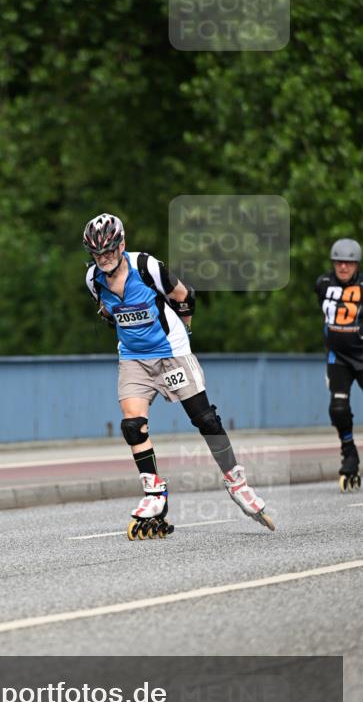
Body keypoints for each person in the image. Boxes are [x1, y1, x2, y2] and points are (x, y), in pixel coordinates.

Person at [83, 212, 275, 536]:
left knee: (204, 419)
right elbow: (106, 311)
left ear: (122, 245)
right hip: (134, 358)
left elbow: (184, 295)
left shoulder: (147, 267)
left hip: (170, 353)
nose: (104, 259)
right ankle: (154, 493)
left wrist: (184, 331)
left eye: (110, 251)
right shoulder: (93, 281)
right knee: (133, 424)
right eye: (98, 254)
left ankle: (237, 483)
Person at [315, 238, 363, 491]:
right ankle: (349, 453)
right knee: (338, 408)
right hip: (338, 357)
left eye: (349, 263)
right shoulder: (323, 284)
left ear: (356, 265)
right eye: (339, 262)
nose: (343, 267)